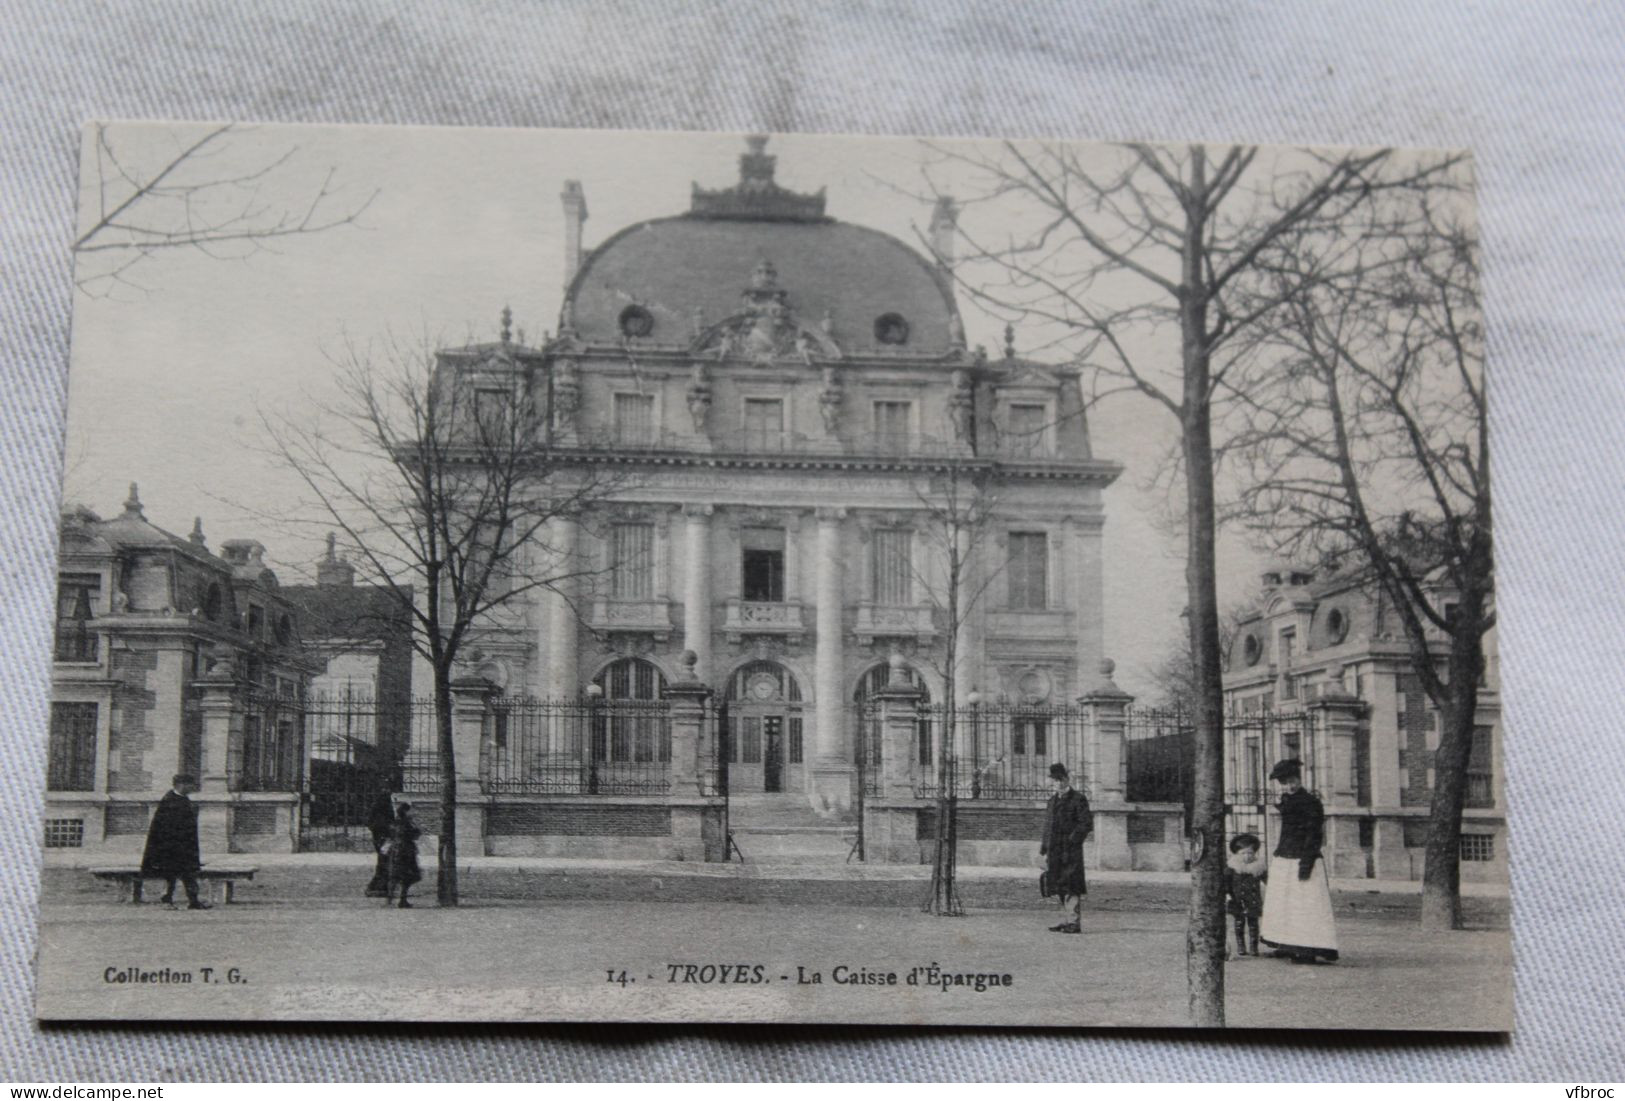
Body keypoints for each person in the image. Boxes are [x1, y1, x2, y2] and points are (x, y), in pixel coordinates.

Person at [1259, 759, 1339, 963]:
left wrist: (1306, 863)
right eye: (1284, 783)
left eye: (1292, 781)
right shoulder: (1287, 799)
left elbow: (1314, 835)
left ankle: (1307, 949)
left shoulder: (1310, 802)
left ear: (1299, 779)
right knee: (1283, 902)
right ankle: (1285, 943)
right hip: (1284, 856)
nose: (1289, 786)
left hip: (1302, 858)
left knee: (1305, 903)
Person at [140, 773, 211, 910]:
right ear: (182, 785)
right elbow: (163, 828)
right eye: (190, 784)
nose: (193, 787)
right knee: (170, 876)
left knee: (189, 874)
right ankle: (167, 901)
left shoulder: (183, 799)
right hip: (171, 848)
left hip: (185, 846)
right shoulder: (169, 801)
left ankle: (193, 901)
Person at [1039, 762, 1092, 934]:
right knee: (1058, 884)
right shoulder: (1052, 801)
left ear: (1066, 780)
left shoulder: (1078, 799)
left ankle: (1074, 922)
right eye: (1054, 780)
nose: (1057, 783)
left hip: (1070, 850)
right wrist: (1043, 850)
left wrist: (1072, 841)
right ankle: (1066, 920)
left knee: (1071, 885)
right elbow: (1047, 826)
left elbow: (1086, 824)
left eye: (1060, 780)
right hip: (1054, 851)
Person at [1225, 832, 1267, 958]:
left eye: (1250, 853)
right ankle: (1241, 947)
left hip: (1253, 899)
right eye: (1243, 853)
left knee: (1253, 924)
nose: (1247, 856)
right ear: (1237, 854)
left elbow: (1268, 880)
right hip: (1237, 899)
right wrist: (1227, 894)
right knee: (1239, 923)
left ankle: (1254, 947)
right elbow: (1226, 883)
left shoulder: (1258, 867)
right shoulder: (1232, 867)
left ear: (1255, 853)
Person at [385, 801, 422, 909]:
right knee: (407, 876)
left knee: (396, 875)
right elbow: (415, 834)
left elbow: (391, 835)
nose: (413, 812)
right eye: (410, 810)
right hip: (406, 851)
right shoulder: (406, 823)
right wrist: (416, 826)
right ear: (406, 811)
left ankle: (392, 898)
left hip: (396, 850)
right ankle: (402, 899)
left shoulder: (395, 822)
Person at [364, 788, 395, 898]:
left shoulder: (375, 810)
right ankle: (376, 887)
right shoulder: (386, 811)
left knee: (383, 862)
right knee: (384, 863)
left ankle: (380, 887)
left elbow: (369, 823)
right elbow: (391, 822)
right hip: (384, 839)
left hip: (379, 839)